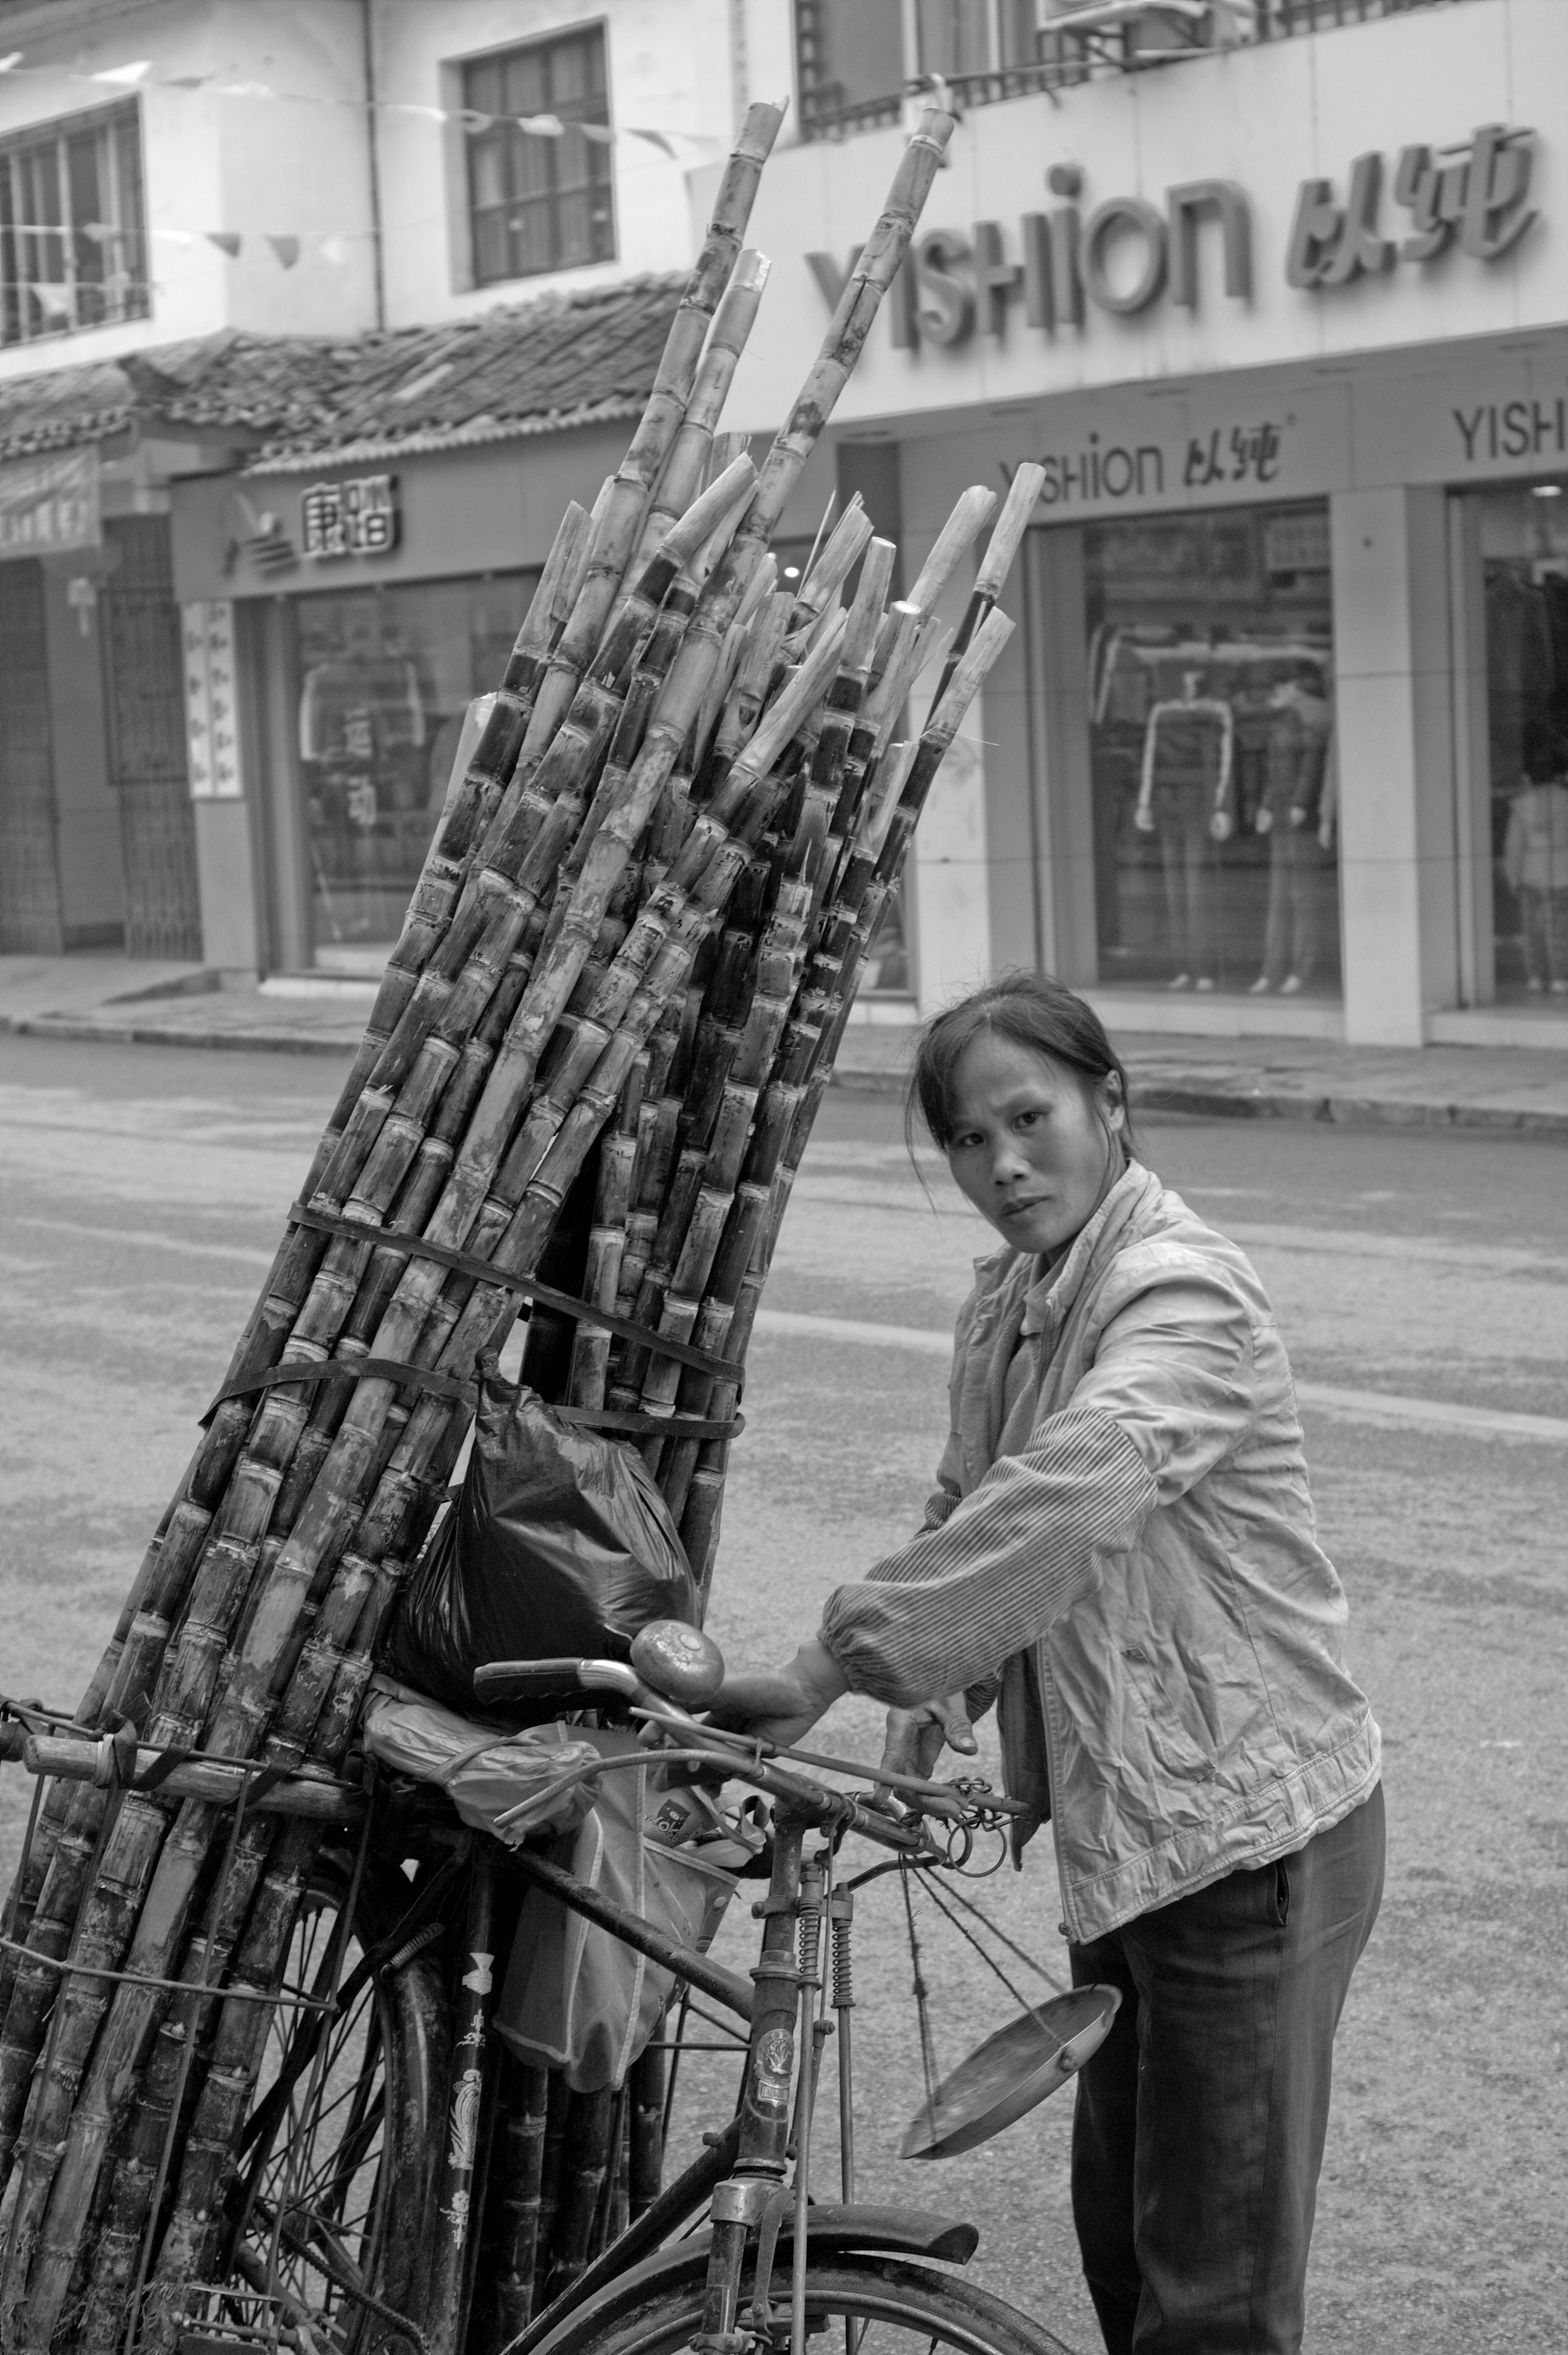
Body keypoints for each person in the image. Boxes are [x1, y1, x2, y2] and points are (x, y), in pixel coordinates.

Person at [716, 972, 1384, 2355]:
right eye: (968, 1141)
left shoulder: (1180, 1290)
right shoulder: (1015, 1295)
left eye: (1030, 1118)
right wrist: (927, 1706)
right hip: (1131, 1829)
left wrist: (836, 1660)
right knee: (1128, 2247)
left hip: (1248, 1842)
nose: (1003, 1165)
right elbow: (970, 1504)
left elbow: (1074, 1492)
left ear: (1109, 1101)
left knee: (1211, 2299)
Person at [1502, 760, 1568, 993]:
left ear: (1529, 778)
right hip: (1563, 872)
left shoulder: (1521, 806)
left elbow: (1514, 847)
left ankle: (1537, 977)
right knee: (1561, 928)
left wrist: (1513, 877)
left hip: (1531, 873)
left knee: (1533, 929)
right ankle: (1562, 979)